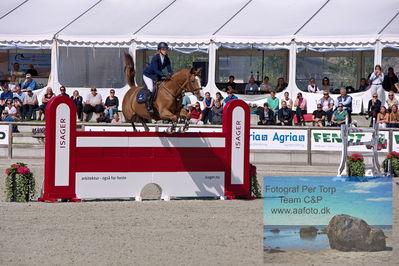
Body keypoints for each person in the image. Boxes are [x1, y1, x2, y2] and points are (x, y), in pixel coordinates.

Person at [142, 42, 173, 114]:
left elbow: (170, 70)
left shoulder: (167, 59)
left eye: (166, 49)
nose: (165, 50)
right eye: (163, 49)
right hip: (148, 75)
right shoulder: (155, 58)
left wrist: (172, 75)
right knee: (151, 88)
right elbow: (156, 70)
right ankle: (149, 106)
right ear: (159, 50)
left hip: (157, 75)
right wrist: (164, 75)